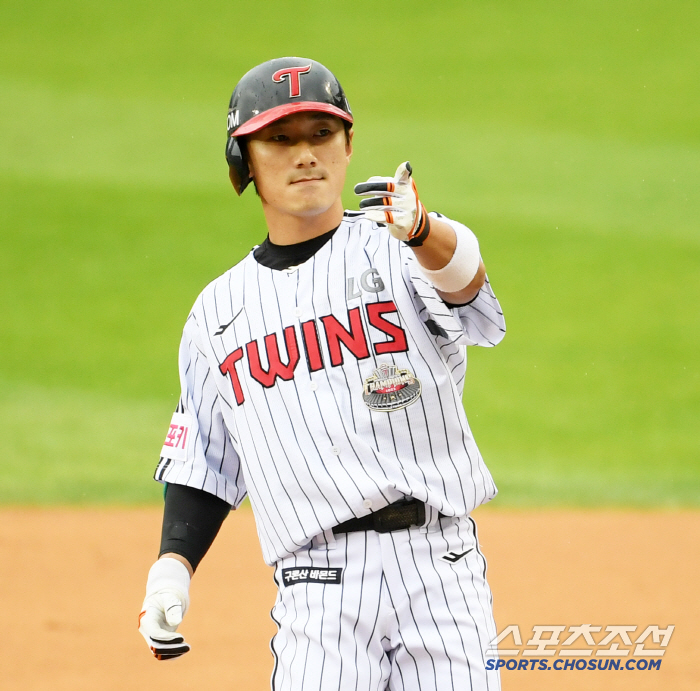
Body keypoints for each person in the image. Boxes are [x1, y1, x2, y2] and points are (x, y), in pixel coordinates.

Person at [138, 56, 506, 691]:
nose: (304, 154)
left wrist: (424, 230)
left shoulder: (401, 248)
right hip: (317, 585)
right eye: (279, 139)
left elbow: (472, 296)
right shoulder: (217, 314)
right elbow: (205, 456)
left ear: (348, 144)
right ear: (242, 161)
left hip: (440, 567)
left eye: (320, 135)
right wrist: (172, 569)